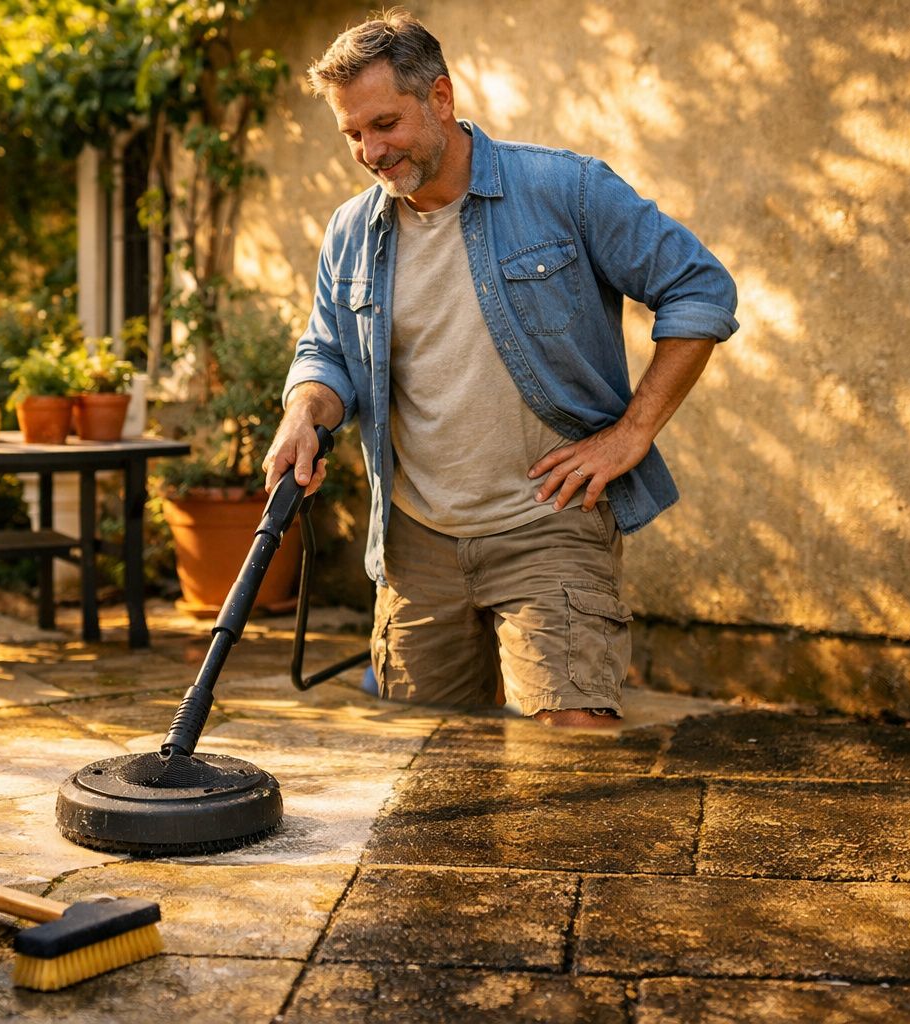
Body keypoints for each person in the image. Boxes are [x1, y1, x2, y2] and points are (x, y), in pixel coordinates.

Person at [263, 8, 739, 727]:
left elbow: (699, 288)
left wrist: (632, 431)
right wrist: (303, 412)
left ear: (442, 98)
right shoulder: (351, 232)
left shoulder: (566, 189)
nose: (368, 151)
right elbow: (328, 352)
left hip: (549, 521)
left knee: (574, 747)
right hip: (417, 538)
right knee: (420, 767)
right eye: (353, 133)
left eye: (384, 124)